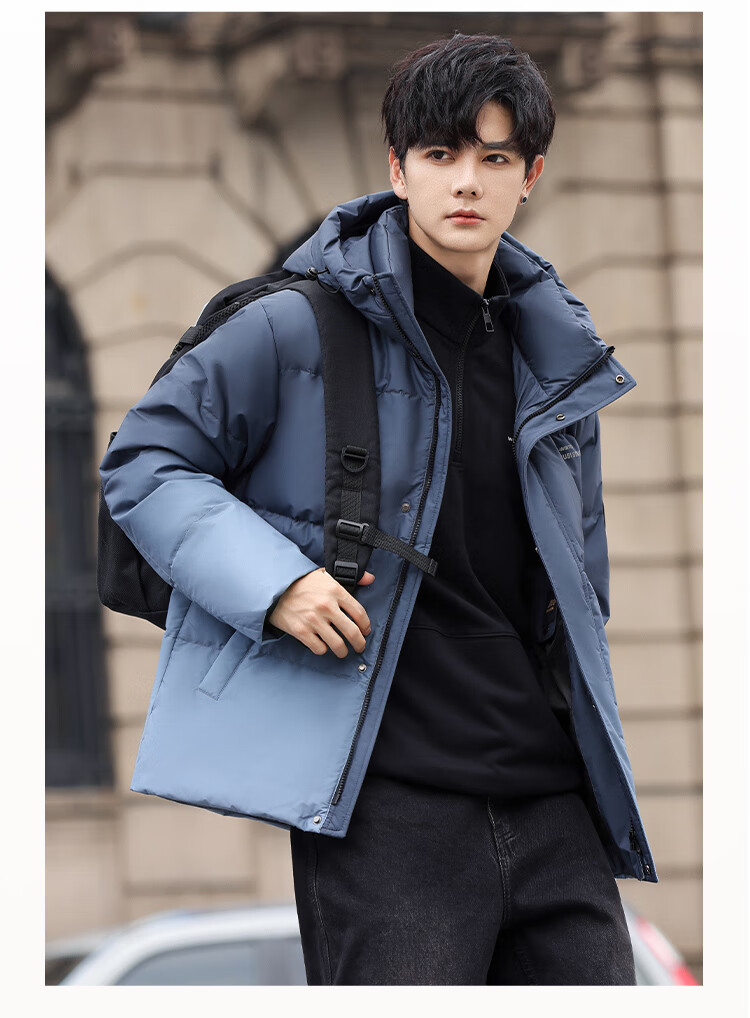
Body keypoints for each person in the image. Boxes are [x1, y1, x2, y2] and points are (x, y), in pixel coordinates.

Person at [99, 32, 655, 987]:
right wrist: (277, 585)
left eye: (495, 159)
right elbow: (144, 463)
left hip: (552, 800)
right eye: (441, 154)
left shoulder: (557, 357)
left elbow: (578, 583)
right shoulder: (294, 325)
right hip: (389, 812)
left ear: (530, 175)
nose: (467, 182)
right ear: (398, 169)